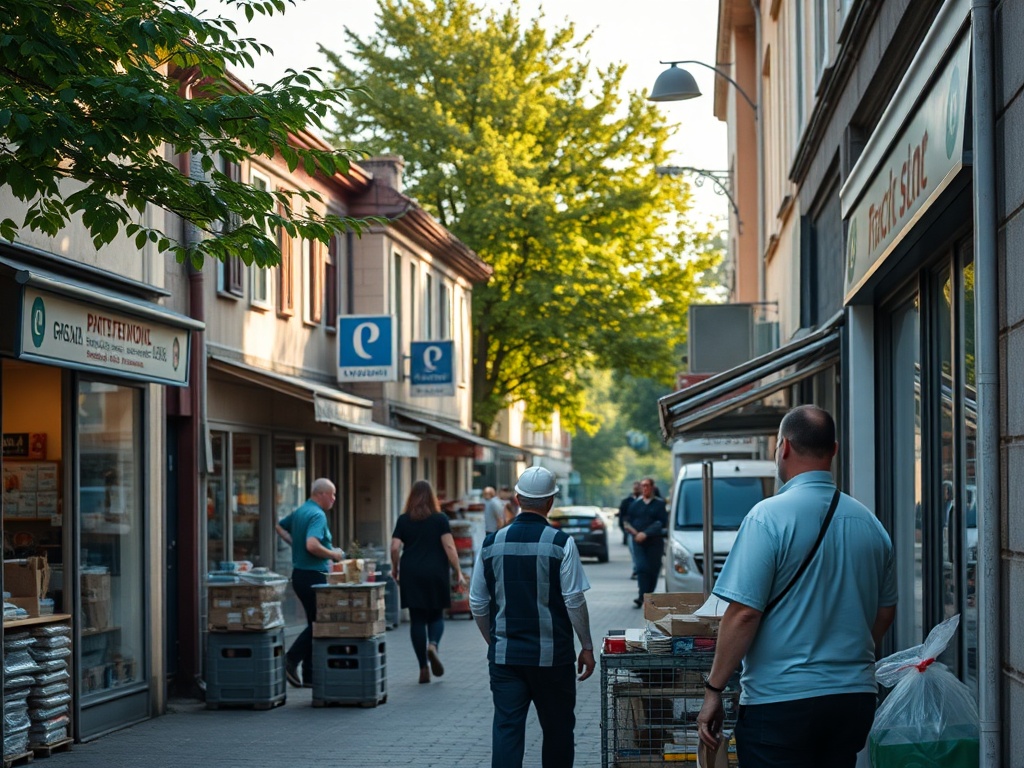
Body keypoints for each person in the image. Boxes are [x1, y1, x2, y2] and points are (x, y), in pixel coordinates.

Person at [696, 405, 898, 768]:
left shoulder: (767, 517)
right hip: (853, 700)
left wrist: (713, 691)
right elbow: (886, 611)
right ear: (834, 450)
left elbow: (743, 614)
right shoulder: (871, 525)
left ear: (784, 447)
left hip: (781, 703)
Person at [469, 466, 595, 768]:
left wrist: (494, 640)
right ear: (550, 502)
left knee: (507, 729)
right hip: (553, 658)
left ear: (516, 498)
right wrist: (587, 646)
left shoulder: (490, 543)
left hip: (506, 657)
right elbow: (574, 599)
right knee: (558, 730)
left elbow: (477, 602)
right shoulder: (561, 543)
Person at [390, 480, 467, 684]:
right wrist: (458, 571)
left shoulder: (404, 520)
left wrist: (395, 569)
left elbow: (394, 547)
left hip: (411, 573)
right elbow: (449, 547)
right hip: (436, 572)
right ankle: (433, 645)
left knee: (417, 619)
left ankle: (423, 668)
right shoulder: (440, 519)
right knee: (436, 615)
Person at [275, 477, 345, 688]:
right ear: (320, 494)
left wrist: (293, 543)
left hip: (300, 575)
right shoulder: (317, 514)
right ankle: (291, 659)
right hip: (314, 576)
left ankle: (310, 675)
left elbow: (279, 527)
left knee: (314, 623)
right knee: (320, 623)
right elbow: (312, 545)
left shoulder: (301, 511)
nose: (334, 498)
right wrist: (333, 554)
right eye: (331, 494)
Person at [623, 477, 667, 607]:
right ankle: (642, 596)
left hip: (654, 541)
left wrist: (646, 533)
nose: (645, 488)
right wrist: (634, 532)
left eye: (647, 485)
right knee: (642, 567)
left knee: (653, 569)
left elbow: (661, 522)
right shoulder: (635, 504)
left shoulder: (659, 504)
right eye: (643, 486)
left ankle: (649, 594)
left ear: (652, 487)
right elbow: (627, 521)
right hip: (638, 541)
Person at [618, 480, 642, 575]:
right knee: (633, 551)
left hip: (644, 531)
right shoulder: (627, 502)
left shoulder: (645, 501)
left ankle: (640, 568)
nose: (636, 490)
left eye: (638, 488)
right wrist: (625, 530)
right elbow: (622, 517)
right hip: (631, 531)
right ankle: (636, 569)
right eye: (635, 488)